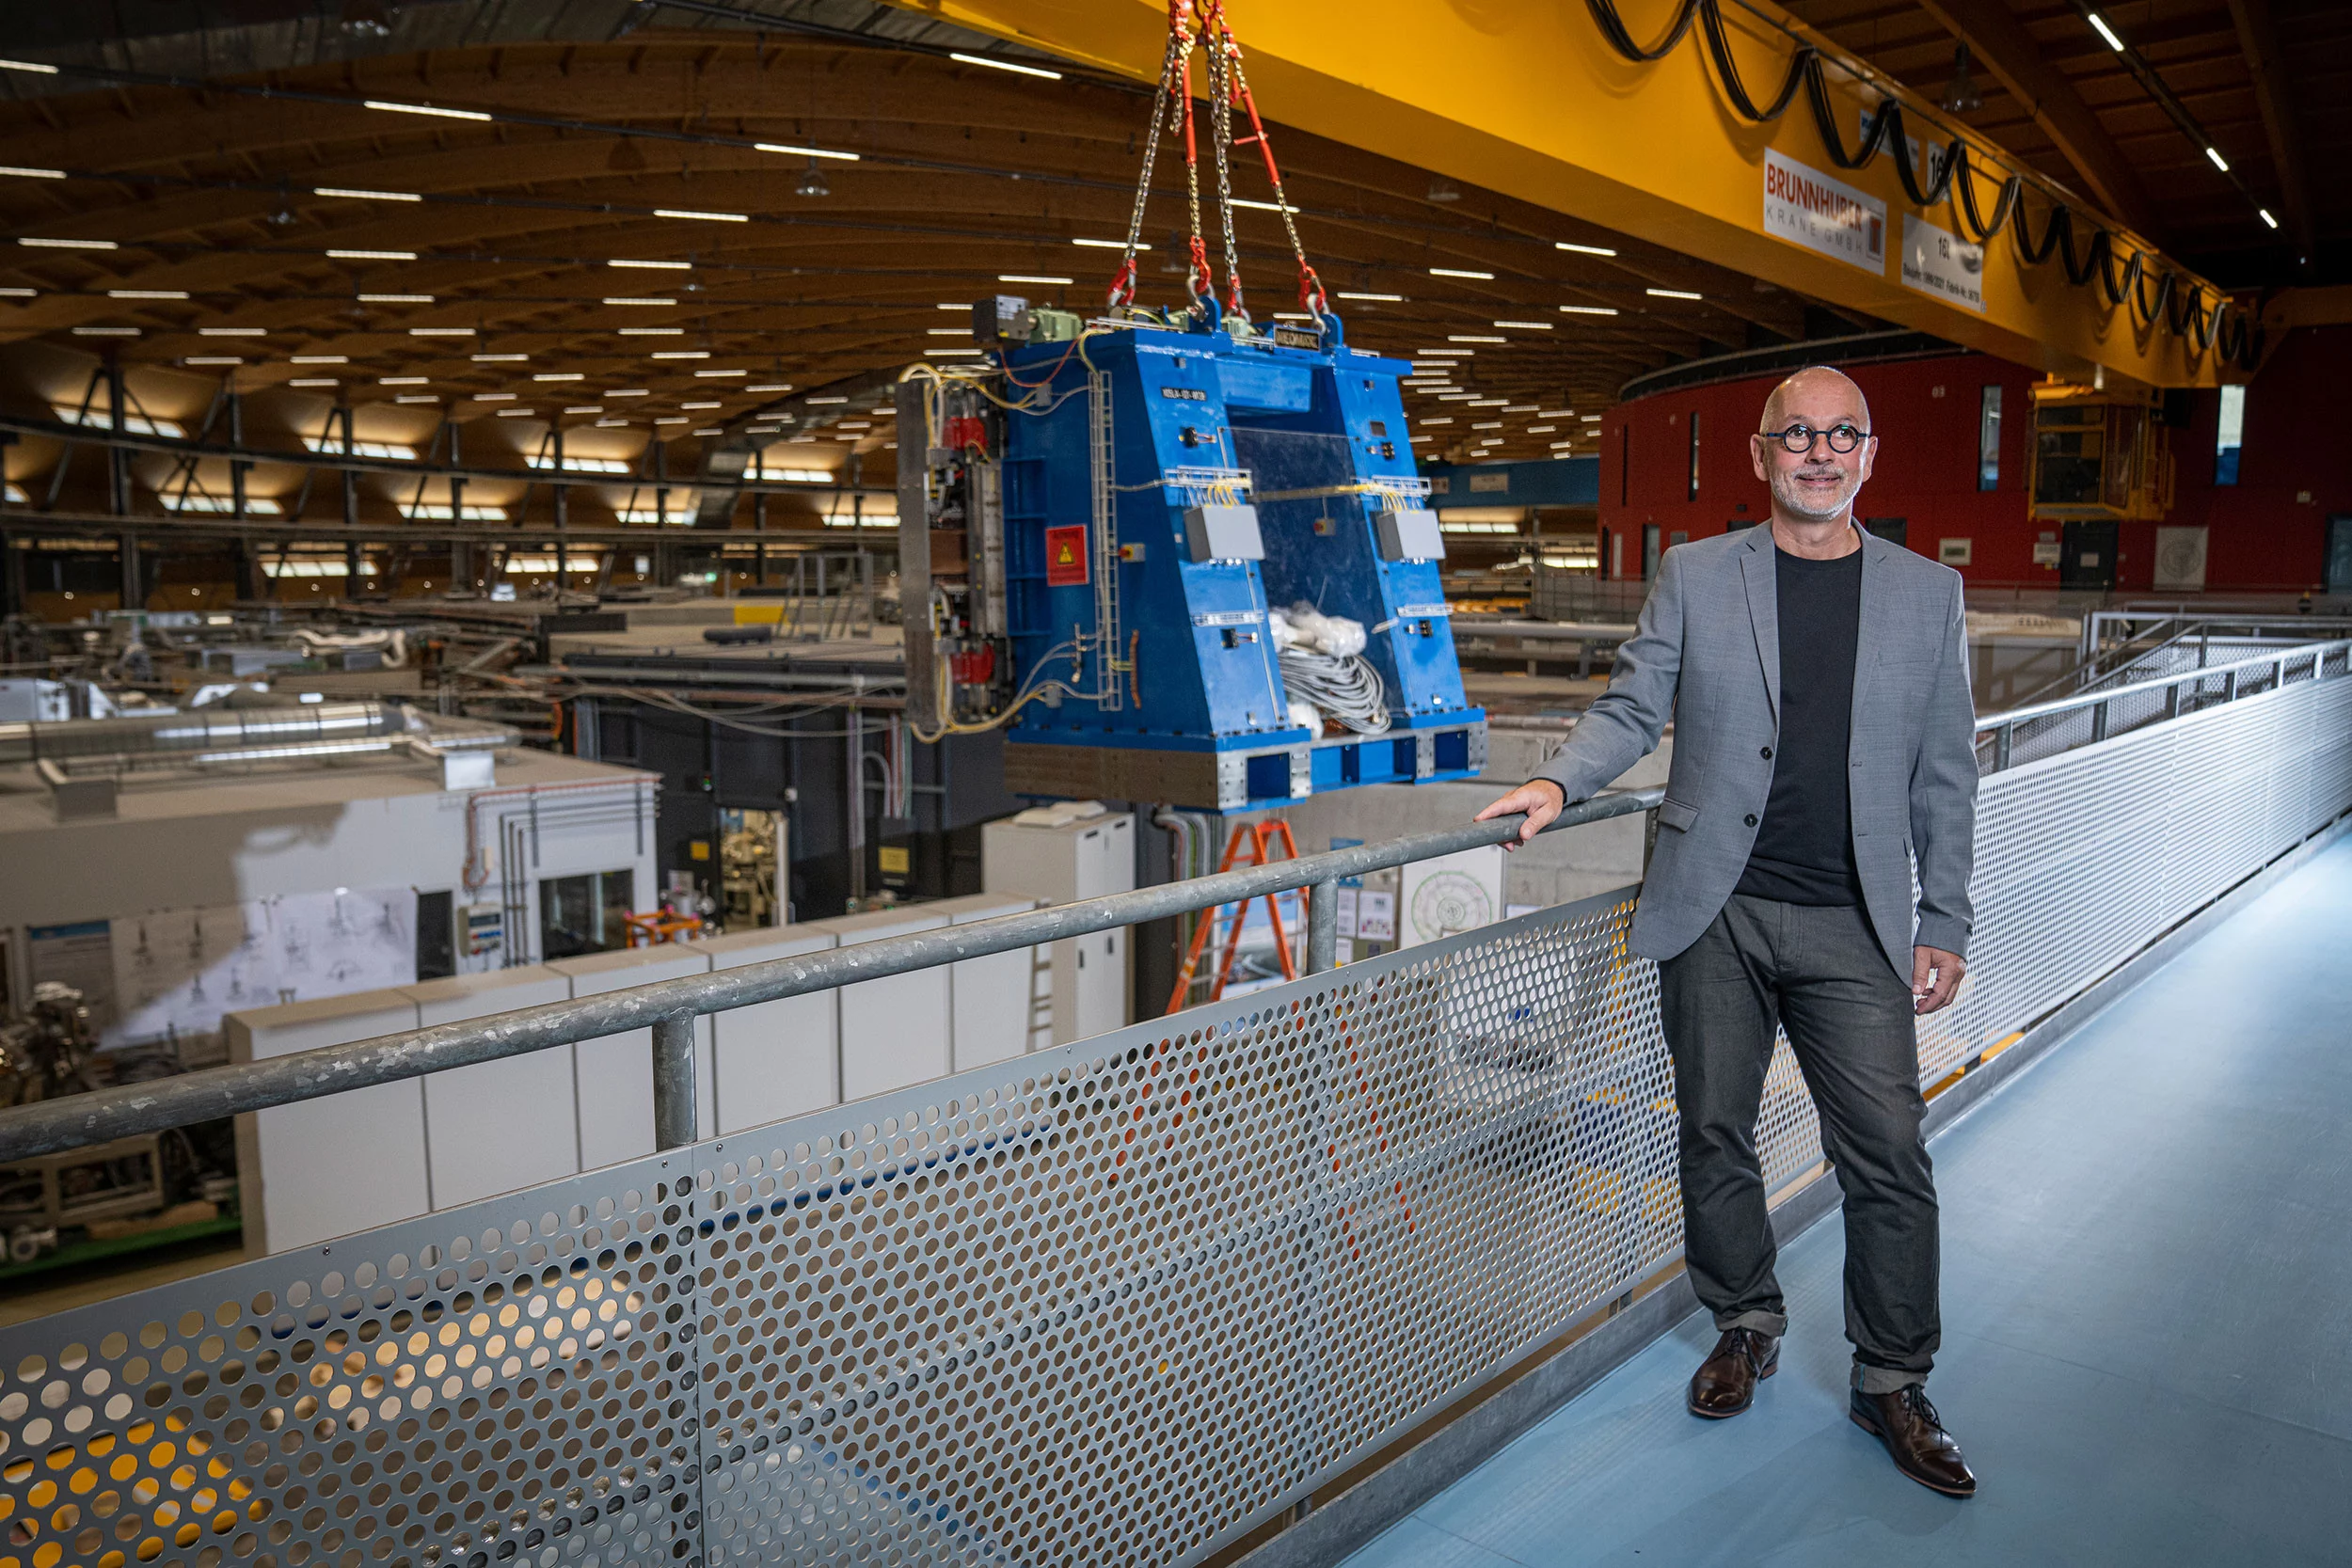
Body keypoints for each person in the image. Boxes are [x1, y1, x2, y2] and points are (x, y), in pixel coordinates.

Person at [1475, 366, 1979, 1497]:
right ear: (1758, 454)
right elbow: (1629, 702)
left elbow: (1947, 770)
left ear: (1869, 454)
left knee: (1888, 1155)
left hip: (1856, 919)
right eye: (1795, 434)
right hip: (1716, 907)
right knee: (1713, 1128)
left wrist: (1942, 912)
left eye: (1839, 434)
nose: (1817, 451)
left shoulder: (1925, 593)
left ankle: (1891, 1377)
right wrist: (1558, 785)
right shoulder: (1700, 573)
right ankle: (1745, 1318)